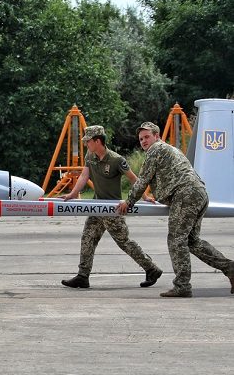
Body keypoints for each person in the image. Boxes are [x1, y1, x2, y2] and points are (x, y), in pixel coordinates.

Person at [117, 122, 234, 297]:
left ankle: (182, 286)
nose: (143, 141)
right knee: (192, 242)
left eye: (147, 137)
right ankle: (230, 268)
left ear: (157, 136)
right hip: (198, 193)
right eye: (141, 139)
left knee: (176, 240)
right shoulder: (170, 150)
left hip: (185, 194)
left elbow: (142, 181)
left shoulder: (156, 149)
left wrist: (129, 202)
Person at [61, 125, 162, 289]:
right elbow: (84, 175)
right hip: (97, 207)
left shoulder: (116, 160)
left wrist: (145, 197)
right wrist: (72, 194)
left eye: (88, 141)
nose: (86, 144)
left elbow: (133, 178)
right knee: (88, 238)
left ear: (97, 141)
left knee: (124, 242)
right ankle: (82, 276)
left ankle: (152, 269)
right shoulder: (90, 155)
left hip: (112, 210)